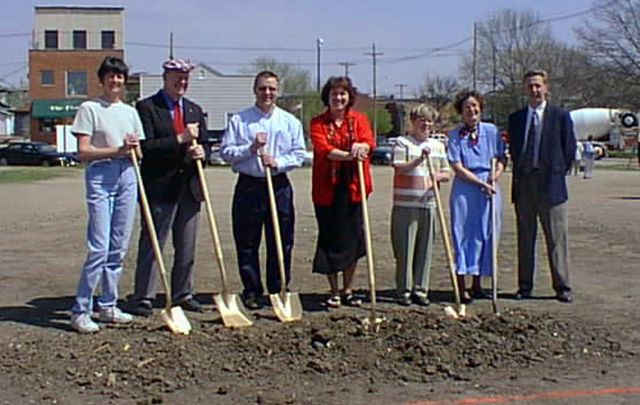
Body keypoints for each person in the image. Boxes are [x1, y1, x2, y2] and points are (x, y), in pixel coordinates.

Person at [126, 58, 207, 317]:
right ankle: (144, 297)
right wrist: (179, 139)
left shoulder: (194, 110)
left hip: (189, 188)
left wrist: (201, 152)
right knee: (153, 243)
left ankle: (183, 293)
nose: (181, 82)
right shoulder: (148, 108)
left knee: (187, 245)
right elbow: (145, 148)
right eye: (177, 77)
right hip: (160, 187)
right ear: (165, 77)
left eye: (185, 78)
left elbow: (204, 146)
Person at [70, 56, 145, 333]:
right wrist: (117, 151)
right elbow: (83, 152)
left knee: (118, 247)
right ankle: (81, 309)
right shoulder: (89, 108)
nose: (115, 81)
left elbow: (138, 153)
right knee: (98, 247)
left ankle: (108, 305)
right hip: (101, 174)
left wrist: (133, 148)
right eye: (110, 76)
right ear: (102, 80)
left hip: (128, 174)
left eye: (120, 77)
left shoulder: (130, 112)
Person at [220, 71, 305, 310]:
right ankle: (252, 290)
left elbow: (299, 154)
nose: (267, 93)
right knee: (247, 241)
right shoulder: (240, 120)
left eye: (271, 89)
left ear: (278, 91)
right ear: (254, 90)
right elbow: (226, 152)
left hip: (278, 185)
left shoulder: (289, 121)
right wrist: (251, 148)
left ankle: (278, 289)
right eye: (262, 89)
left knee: (281, 240)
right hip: (249, 185)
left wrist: (277, 162)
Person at [508, 69, 576, 303]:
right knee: (525, 239)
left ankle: (562, 286)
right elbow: (515, 151)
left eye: (538, 86)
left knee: (557, 239)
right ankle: (524, 286)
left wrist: (556, 172)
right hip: (524, 185)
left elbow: (569, 150)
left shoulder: (560, 116)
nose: (534, 90)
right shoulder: (516, 119)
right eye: (530, 86)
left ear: (546, 88)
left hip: (552, 186)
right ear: (524, 89)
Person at [309, 76, 375, 308]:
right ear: (327, 97)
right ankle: (334, 290)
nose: (338, 98)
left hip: (354, 188)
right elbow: (323, 148)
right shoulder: (318, 122)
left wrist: (362, 147)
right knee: (331, 239)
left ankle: (348, 289)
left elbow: (369, 142)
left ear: (349, 97)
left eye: (342, 94)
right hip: (328, 190)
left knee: (352, 239)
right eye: (334, 94)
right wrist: (349, 155)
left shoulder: (359, 120)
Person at [447, 90, 506, 303]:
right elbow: (457, 166)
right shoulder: (454, 135)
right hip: (466, 190)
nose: (472, 110)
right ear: (461, 112)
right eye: (467, 107)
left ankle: (478, 284)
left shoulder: (491, 131)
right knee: (463, 234)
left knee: (486, 232)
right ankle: (461, 285)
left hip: (489, 189)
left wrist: (494, 176)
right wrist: (479, 182)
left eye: (475, 106)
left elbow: (501, 158)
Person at [390, 104, 451, 306]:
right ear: (413, 122)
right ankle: (404, 290)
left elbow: (447, 172)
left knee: (425, 250)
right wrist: (418, 160)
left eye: (429, 121)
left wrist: (439, 176)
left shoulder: (438, 146)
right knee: (405, 249)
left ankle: (420, 289)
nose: (425, 124)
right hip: (405, 205)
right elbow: (399, 168)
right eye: (421, 120)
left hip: (429, 204)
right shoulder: (402, 142)